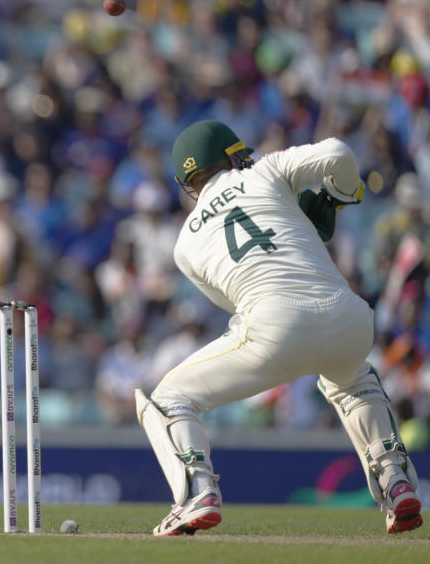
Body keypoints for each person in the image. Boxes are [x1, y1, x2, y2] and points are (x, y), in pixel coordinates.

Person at [135, 120, 422, 536]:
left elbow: (233, 301)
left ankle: (197, 494)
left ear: (189, 182)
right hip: (351, 316)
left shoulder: (184, 245)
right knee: (354, 380)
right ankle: (396, 483)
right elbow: (339, 153)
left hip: (273, 325)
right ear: (232, 155)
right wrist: (336, 196)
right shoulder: (265, 170)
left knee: (168, 399)